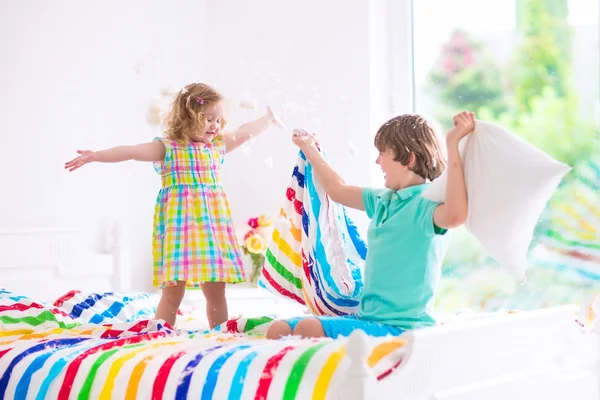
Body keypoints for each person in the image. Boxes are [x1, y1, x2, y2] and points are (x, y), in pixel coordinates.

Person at [65, 82, 284, 329]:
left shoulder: (217, 145)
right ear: (188, 117)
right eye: (208, 119)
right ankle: (161, 331)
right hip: (179, 228)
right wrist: (96, 155)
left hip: (211, 228)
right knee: (173, 289)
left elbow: (245, 132)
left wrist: (268, 120)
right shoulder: (168, 146)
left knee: (215, 290)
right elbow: (131, 151)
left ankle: (220, 334)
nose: (215, 125)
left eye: (218, 119)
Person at [265, 111, 475, 339]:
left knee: (306, 330)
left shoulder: (426, 205)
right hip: (367, 319)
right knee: (280, 329)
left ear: (408, 159)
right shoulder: (384, 200)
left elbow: (456, 215)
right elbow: (339, 190)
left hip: (403, 327)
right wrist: (310, 149)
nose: (377, 161)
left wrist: (452, 145)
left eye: (382, 153)